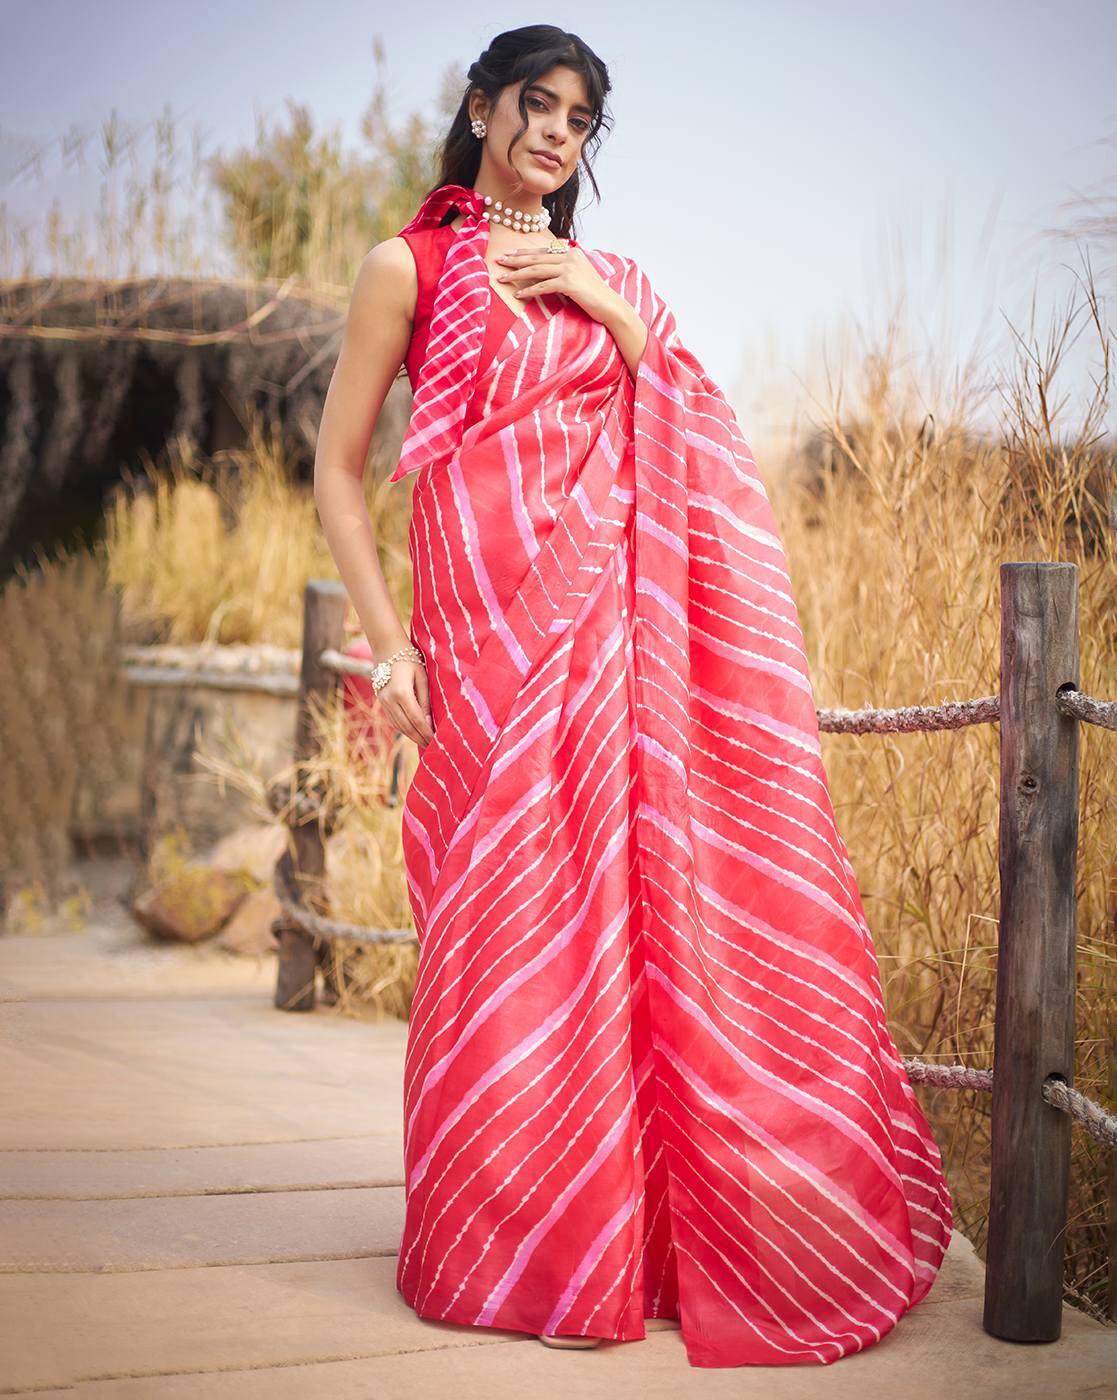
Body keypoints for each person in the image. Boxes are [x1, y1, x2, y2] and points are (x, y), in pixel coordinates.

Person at [312, 23, 953, 1370]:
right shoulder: (405, 266)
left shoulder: (620, 282)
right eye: (536, 105)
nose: (555, 134)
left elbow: (695, 424)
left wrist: (599, 304)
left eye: (579, 120)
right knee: (496, 928)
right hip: (479, 647)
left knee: (620, 919)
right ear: (480, 107)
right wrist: (388, 647)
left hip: (609, 642)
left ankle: (629, 1245)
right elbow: (339, 473)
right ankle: (511, 1246)